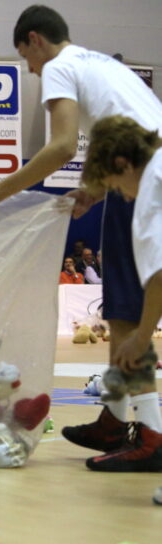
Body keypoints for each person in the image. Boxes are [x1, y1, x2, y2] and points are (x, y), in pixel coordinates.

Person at [0, 5, 162, 459]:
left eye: (27, 61)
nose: (31, 72)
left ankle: (151, 435)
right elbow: (126, 131)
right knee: (119, 311)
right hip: (137, 167)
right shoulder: (100, 61)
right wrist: (92, 187)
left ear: (34, 40)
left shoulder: (58, 66)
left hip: (145, 178)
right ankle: (114, 418)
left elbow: (63, 145)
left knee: (128, 314)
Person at [79, 115, 162, 471]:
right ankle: (117, 421)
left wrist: (142, 335)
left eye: (114, 187)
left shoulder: (149, 196)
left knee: (130, 322)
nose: (121, 197)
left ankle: (151, 438)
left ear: (123, 164)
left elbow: (159, 277)